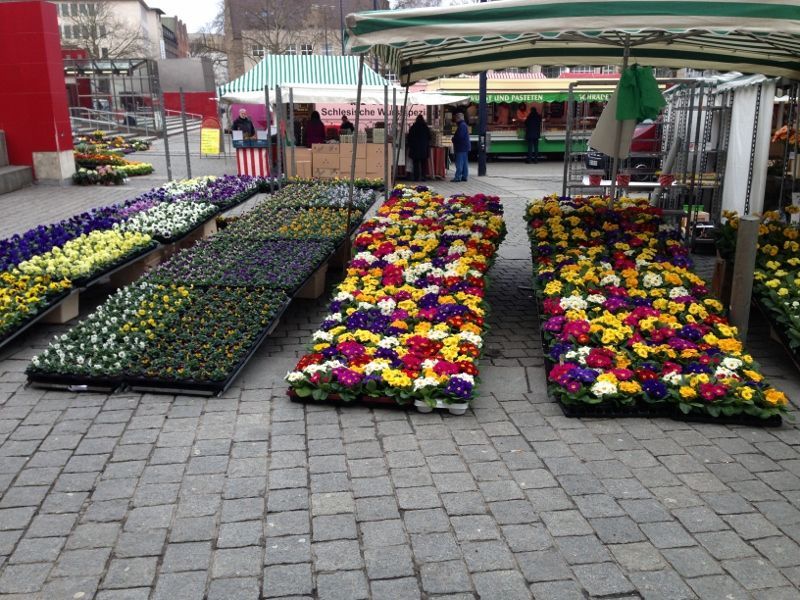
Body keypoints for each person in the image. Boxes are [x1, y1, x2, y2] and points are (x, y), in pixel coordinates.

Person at [407, 115, 431, 181]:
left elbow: (409, 137)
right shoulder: (426, 127)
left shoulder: (413, 127)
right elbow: (429, 137)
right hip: (423, 148)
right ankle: (424, 177)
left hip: (415, 148)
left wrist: (411, 145)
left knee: (415, 164)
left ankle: (416, 177)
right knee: (424, 164)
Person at [451, 112, 470, 182]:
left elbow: (460, 137)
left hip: (460, 147)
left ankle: (458, 177)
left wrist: (453, 139)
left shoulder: (461, 126)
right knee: (464, 163)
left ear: (458, 118)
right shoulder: (464, 125)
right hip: (464, 147)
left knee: (459, 163)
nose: (455, 120)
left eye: (456, 118)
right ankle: (464, 176)